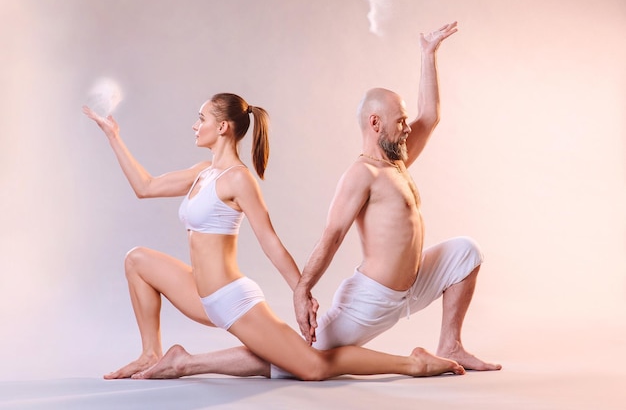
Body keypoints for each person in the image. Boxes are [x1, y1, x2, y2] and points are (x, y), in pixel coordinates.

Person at [125, 22, 500, 381]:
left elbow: (431, 116)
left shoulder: (398, 160)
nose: (407, 126)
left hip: (414, 284)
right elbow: (331, 236)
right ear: (375, 123)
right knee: (300, 361)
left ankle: (452, 343)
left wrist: (427, 53)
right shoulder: (362, 174)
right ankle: (188, 363)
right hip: (372, 299)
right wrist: (302, 289)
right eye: (399, 120)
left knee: (465, 252)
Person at [83, 92, 465, 381]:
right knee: (136, 260)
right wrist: (114, 136)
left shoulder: (239, 179)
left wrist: (302, 294)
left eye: (200, 119)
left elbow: (270, 242)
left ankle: (413, 363)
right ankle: (153, 353)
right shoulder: (203, 172)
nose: (194, 125)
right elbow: (145, 187)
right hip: (200, 293)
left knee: (311, 367)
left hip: (232, 301)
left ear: (223, 128)